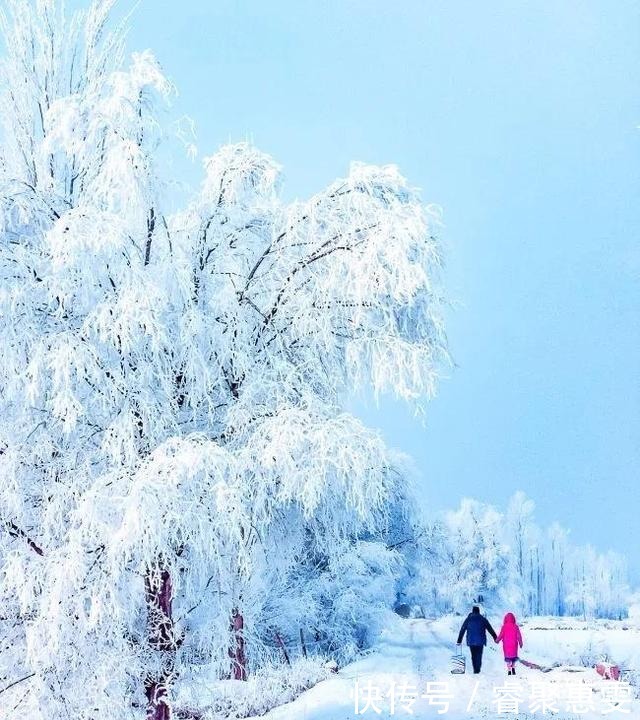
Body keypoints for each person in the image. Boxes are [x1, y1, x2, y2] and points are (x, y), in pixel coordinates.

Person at [456, 605, 497, 674]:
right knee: (479, 655)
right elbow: (490, 629)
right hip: (480, 641)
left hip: (471, 641)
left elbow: (462, 629)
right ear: (479, 611)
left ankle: (475, 669)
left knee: (473, 655)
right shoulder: (483, 619)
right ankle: (477, 669)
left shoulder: (468, 619)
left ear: (472, 611)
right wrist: (495, 637)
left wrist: (459, 640)